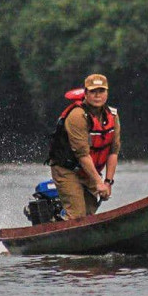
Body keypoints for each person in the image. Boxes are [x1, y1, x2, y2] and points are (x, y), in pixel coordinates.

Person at [47, 74, 121, 219]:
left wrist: (108, 182)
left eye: (101, 91)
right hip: (67, 169)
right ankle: (62, 234)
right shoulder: (77, 116)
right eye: (93, 91)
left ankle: (61, 222)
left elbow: (113, 152)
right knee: (78, 216)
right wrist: (99, 183)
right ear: (86, 93)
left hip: (87, 171)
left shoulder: (113, 116)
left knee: (89, 213)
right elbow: (82, 154)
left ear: (107, 93)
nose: (98, 95)